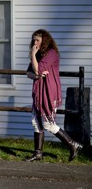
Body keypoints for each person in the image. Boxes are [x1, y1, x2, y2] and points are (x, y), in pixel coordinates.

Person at [25, 29, 82, 162]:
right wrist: (37, 74)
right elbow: (29, 73)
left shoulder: (51, 53)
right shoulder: (38, 54)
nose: (35, 43)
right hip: (38, 94)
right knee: (36, 123)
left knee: (48, 124)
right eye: (34, 40)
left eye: (37, 40)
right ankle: (38, 153)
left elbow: (37, 69)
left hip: (48, 93)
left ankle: (73, 144)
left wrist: (33, 57)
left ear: (45, 40)